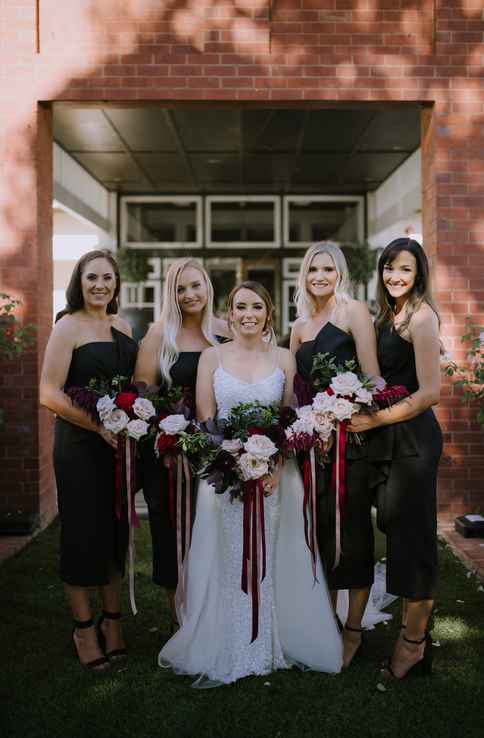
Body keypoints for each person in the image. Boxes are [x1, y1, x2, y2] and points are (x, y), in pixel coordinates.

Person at [159, 281, 342, 686]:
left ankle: (280, 637)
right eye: (240, 306)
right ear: (229, 311)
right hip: (225, 475)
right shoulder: (211, 357)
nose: (247, 314)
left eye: (256, 307)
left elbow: (292, 417)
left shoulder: (284, 358)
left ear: (268, 313)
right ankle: (227, 638)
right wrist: (235, 461)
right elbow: (207, 421)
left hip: (279, 475)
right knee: (226, 554)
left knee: (278, 553)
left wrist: (273, 464)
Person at [39, 250, 137, 670]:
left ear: (117, 284)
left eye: (107, 278)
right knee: (82, 533)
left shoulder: (123, 325)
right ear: (79, 282)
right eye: (91, 277)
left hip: (119, 445)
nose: (100, 285)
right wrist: (98, 426)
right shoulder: (68, 326)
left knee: (115, 531)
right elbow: (48, 392)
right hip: (80, 446)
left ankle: (112, 622)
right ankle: (83, 628)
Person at [349, 238, 442, 679]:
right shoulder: (389, 316)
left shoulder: (422, 318)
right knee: (397, 537)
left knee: (414, 543)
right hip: (390, 439)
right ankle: (410, 633)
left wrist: (373, 420)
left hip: (414, 443)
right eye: (389, 268)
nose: (395, 276)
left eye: (404, 269)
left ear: (418, 273)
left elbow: (430, 393)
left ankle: (413, 645)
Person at [290, 242, 381, 668]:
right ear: (304, 276)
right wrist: (309, 426)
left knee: (356, 536)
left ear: (339, 272)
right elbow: (295, 392)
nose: (320, 276)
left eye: (327, 268)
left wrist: (344, 415)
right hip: (313, 451)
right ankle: (324, 620)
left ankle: (354, 628)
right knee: (319, 535)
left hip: (351, 446)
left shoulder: (354, 313)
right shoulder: (300, 327)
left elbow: (372, 377)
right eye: (313, 270)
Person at [134, 258, 229, 632]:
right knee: (170, 532)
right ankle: (179, 619)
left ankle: (215, 613)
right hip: (170, 453)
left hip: (218, 450)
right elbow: (142, 396)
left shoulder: (226, 332)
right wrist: (171, 434)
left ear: (207, 287)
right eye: (180, 288)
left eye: (196, 285)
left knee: (215, 530)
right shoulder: (159, 336)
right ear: (171, 294)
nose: (190, 295)